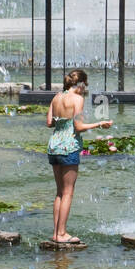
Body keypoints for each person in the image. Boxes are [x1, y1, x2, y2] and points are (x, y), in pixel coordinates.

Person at [45, 69, 112, 244]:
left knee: (59, 192)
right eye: (85, 86)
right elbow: (79, 127)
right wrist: (100, 123)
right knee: (68, 192)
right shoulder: (78, 99)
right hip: (69, 146)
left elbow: (50, 123)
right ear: (81, 84)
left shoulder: (56, 97)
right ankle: (62, 233)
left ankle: (55, 233)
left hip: (54, 145)